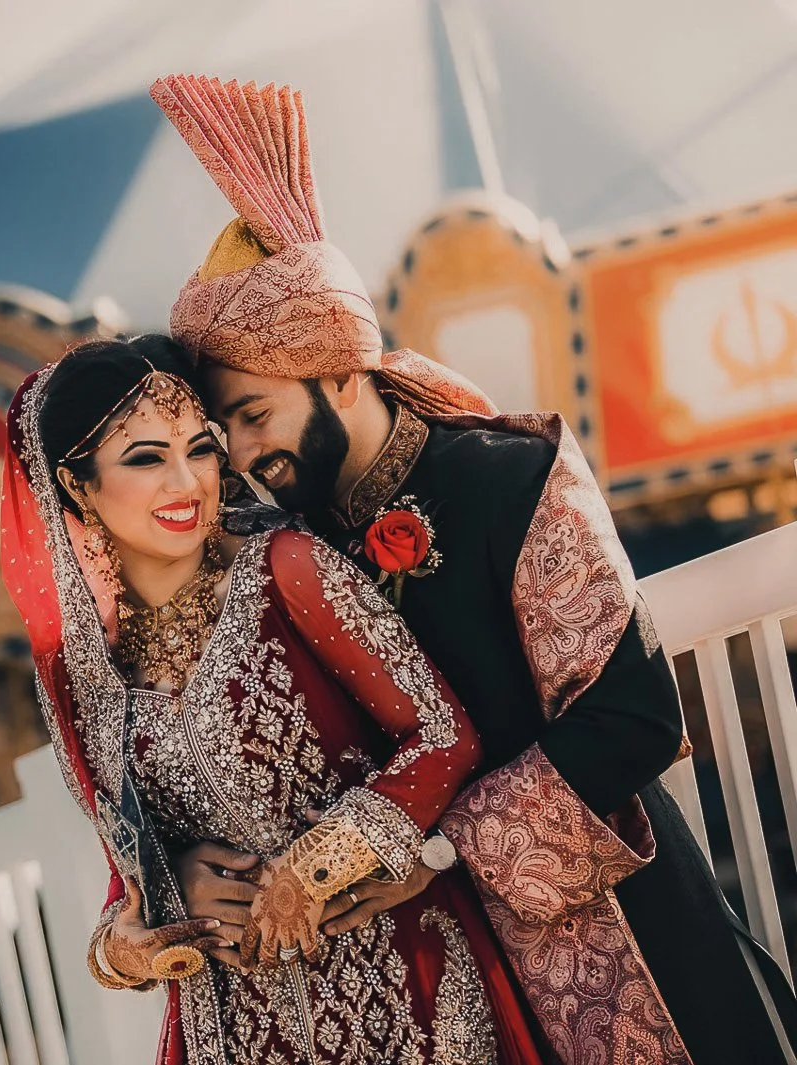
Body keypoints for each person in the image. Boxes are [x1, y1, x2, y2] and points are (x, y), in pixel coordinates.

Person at [151, 73, 797, 1064]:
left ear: (334, 366)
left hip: (618, 939)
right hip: (433, 981)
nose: (243, 457)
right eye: (225, 433)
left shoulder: (513, 476)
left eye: (252, 416)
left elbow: (634, 718)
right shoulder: (286, 550)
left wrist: (442, 849)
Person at [0, 333, 551, 1064]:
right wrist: (132, 942)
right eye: (144, 458)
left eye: (199, 448)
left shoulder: (285, 571)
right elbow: (129, 872)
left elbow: (443, 735)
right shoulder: (83, 679)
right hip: (241, 1030)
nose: (186, 482)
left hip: (398, 988)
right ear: (75, 485)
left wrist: (313, 867)